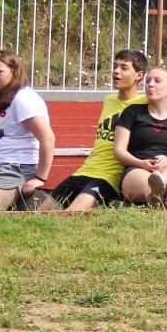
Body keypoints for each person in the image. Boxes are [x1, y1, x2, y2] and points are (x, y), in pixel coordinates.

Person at [41, 49, 148, 213]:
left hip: (109, 177)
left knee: (72, 215)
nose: (116, 71)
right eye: (115, 66)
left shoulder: (145, 103)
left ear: (139, 75)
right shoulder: (109, 100)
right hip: (84, 171)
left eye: (124, 68)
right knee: (40, 214)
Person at [0, 49, 56, 213]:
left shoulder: (23, 99)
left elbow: (47, 139)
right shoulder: (0, 96)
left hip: (14, 167)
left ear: (14, 72)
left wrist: (40, 177)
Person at [113, 65, 167, 210]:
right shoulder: (132, 112)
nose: (150, 84)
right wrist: (141, 163)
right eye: (148, 81)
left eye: (157, 81)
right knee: (151, 181)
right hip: (137, 169)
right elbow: (119, 151)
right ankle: (157, 195)